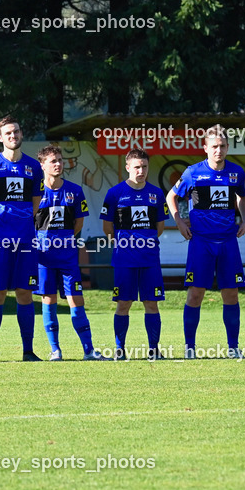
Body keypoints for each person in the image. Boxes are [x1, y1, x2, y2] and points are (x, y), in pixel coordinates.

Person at [166, 126, 245, 359]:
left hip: (228, 242)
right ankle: (190, 347)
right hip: (201, 242)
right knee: (195, 293)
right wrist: (179, 222)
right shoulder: (193, 172)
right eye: (214, 146)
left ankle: (233, 347)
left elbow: (242, 196)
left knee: (231, 294)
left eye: (222, 146)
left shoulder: (236, 173)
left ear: (227, 148)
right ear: (205, 148)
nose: (218, 150)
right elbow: (171, 196)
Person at [0, 116, 43, 362]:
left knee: (25, 293)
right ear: (1, 138)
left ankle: (28, 351)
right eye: (8, 133)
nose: (12, 136)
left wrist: (21, 223)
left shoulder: (34, 167)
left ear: (21, 134)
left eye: (15, 132)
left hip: (25, 239)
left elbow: (36, 204)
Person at [35, 145, 103, 361]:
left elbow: (78, 223)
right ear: (42, 165)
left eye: (60, 160)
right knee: (48, 299)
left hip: (67, 258)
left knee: (76, 299)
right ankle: (55, 351)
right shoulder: (34, 193)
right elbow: (30, 224)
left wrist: (62, 241)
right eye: (53, 160)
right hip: (43, 258)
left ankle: (88, 351)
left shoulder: (74, 191)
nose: (58, 164)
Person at [101, 148, 168, 361]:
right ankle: (120, 350)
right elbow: (107, 228)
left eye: (145, 166)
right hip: (124, 260)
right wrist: (126, 245)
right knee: (124, 303)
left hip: (149, 259)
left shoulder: (156, 194)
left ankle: (154, 350)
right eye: (137, 167)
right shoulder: (114, 194)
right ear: (128, 167)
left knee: (151, 303)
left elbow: (159, 227)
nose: (141, 170)